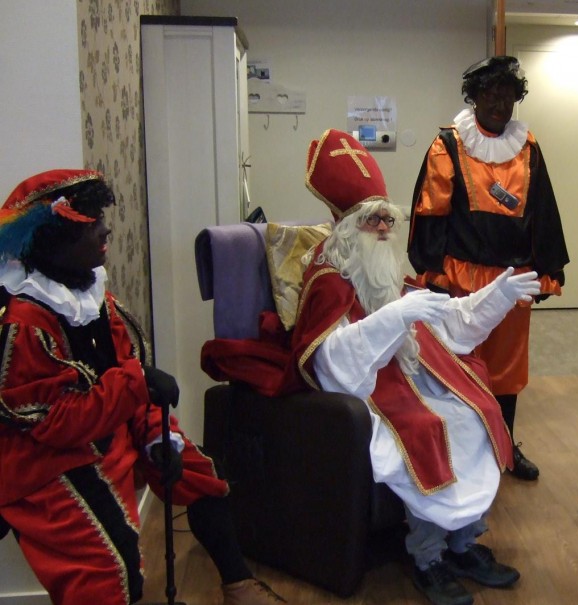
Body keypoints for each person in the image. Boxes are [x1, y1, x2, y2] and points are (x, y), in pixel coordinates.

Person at [0, 169, 285, 605]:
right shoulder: (26, 323)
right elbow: (55, 422)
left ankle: (239, 586)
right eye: (92, 222)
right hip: (47, 463)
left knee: (199, 471)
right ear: (54, 239)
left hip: (106, 429)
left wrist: (157, 437)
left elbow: (130, 380)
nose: (105, 230)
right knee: (109, 562)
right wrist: (136, 383)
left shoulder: (96, 299)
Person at [291, 129, 536, 605]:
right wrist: (393, 318)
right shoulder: (329, 280)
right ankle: (428, 558)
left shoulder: (386, 274)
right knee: (429, 427)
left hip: (411, 376)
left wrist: (497, 296)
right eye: (372, 220)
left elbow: (451, 325)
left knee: (477, 410)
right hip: (363, 393)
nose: (384, 228)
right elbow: (330, 362)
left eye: (388, 218)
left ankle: (463, 543)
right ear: (348, 228)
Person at [408, 55, 570, 481]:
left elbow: (542, 211)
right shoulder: (448, 145)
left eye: (508, 96)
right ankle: (460, 449)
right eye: (490, 94)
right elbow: (431, 211)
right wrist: (432, 271)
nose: (499, 104)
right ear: (474, 97)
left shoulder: (528, 148)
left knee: (506, 372)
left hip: (511, 280)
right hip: (461, 277)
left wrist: (546, 271)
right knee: (458, 364)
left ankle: (504, 446)